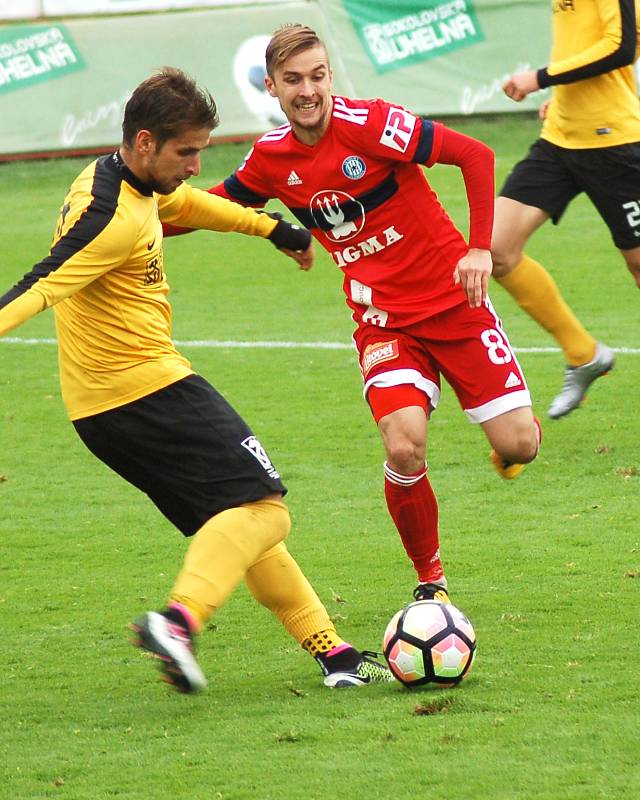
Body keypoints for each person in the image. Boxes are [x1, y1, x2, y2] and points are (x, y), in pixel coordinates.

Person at [0, 67, 393, 692]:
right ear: (147, 141)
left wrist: (271, 227)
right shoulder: (109, 216)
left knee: (239, 520)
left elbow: (186, 203)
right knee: (266, 510)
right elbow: (37, 287)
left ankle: (335, 655)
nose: (193, 165)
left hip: (104, 409)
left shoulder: (120, 182)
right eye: (187, 152)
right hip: (147, 392)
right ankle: (180, 621)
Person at [163, 26, 541, 604]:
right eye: (293, 81)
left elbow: (475, 154)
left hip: (455, 305)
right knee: (404, 444)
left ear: (330, 78)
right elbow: (211, 206)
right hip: (384, 321)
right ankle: (430, 582)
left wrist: (479, 247)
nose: (307, 90)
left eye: (317, 76)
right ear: (272, 87)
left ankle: (505, 445)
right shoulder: (270, 160)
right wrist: (137, 212)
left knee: (521, 446)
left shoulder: (371, 125)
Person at [493, 0, 640, 418]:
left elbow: (621, 46)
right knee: (495, 249)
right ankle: (583, 354)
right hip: (559, 139)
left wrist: (539, 78)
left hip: (615, 143)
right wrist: (564, 97)